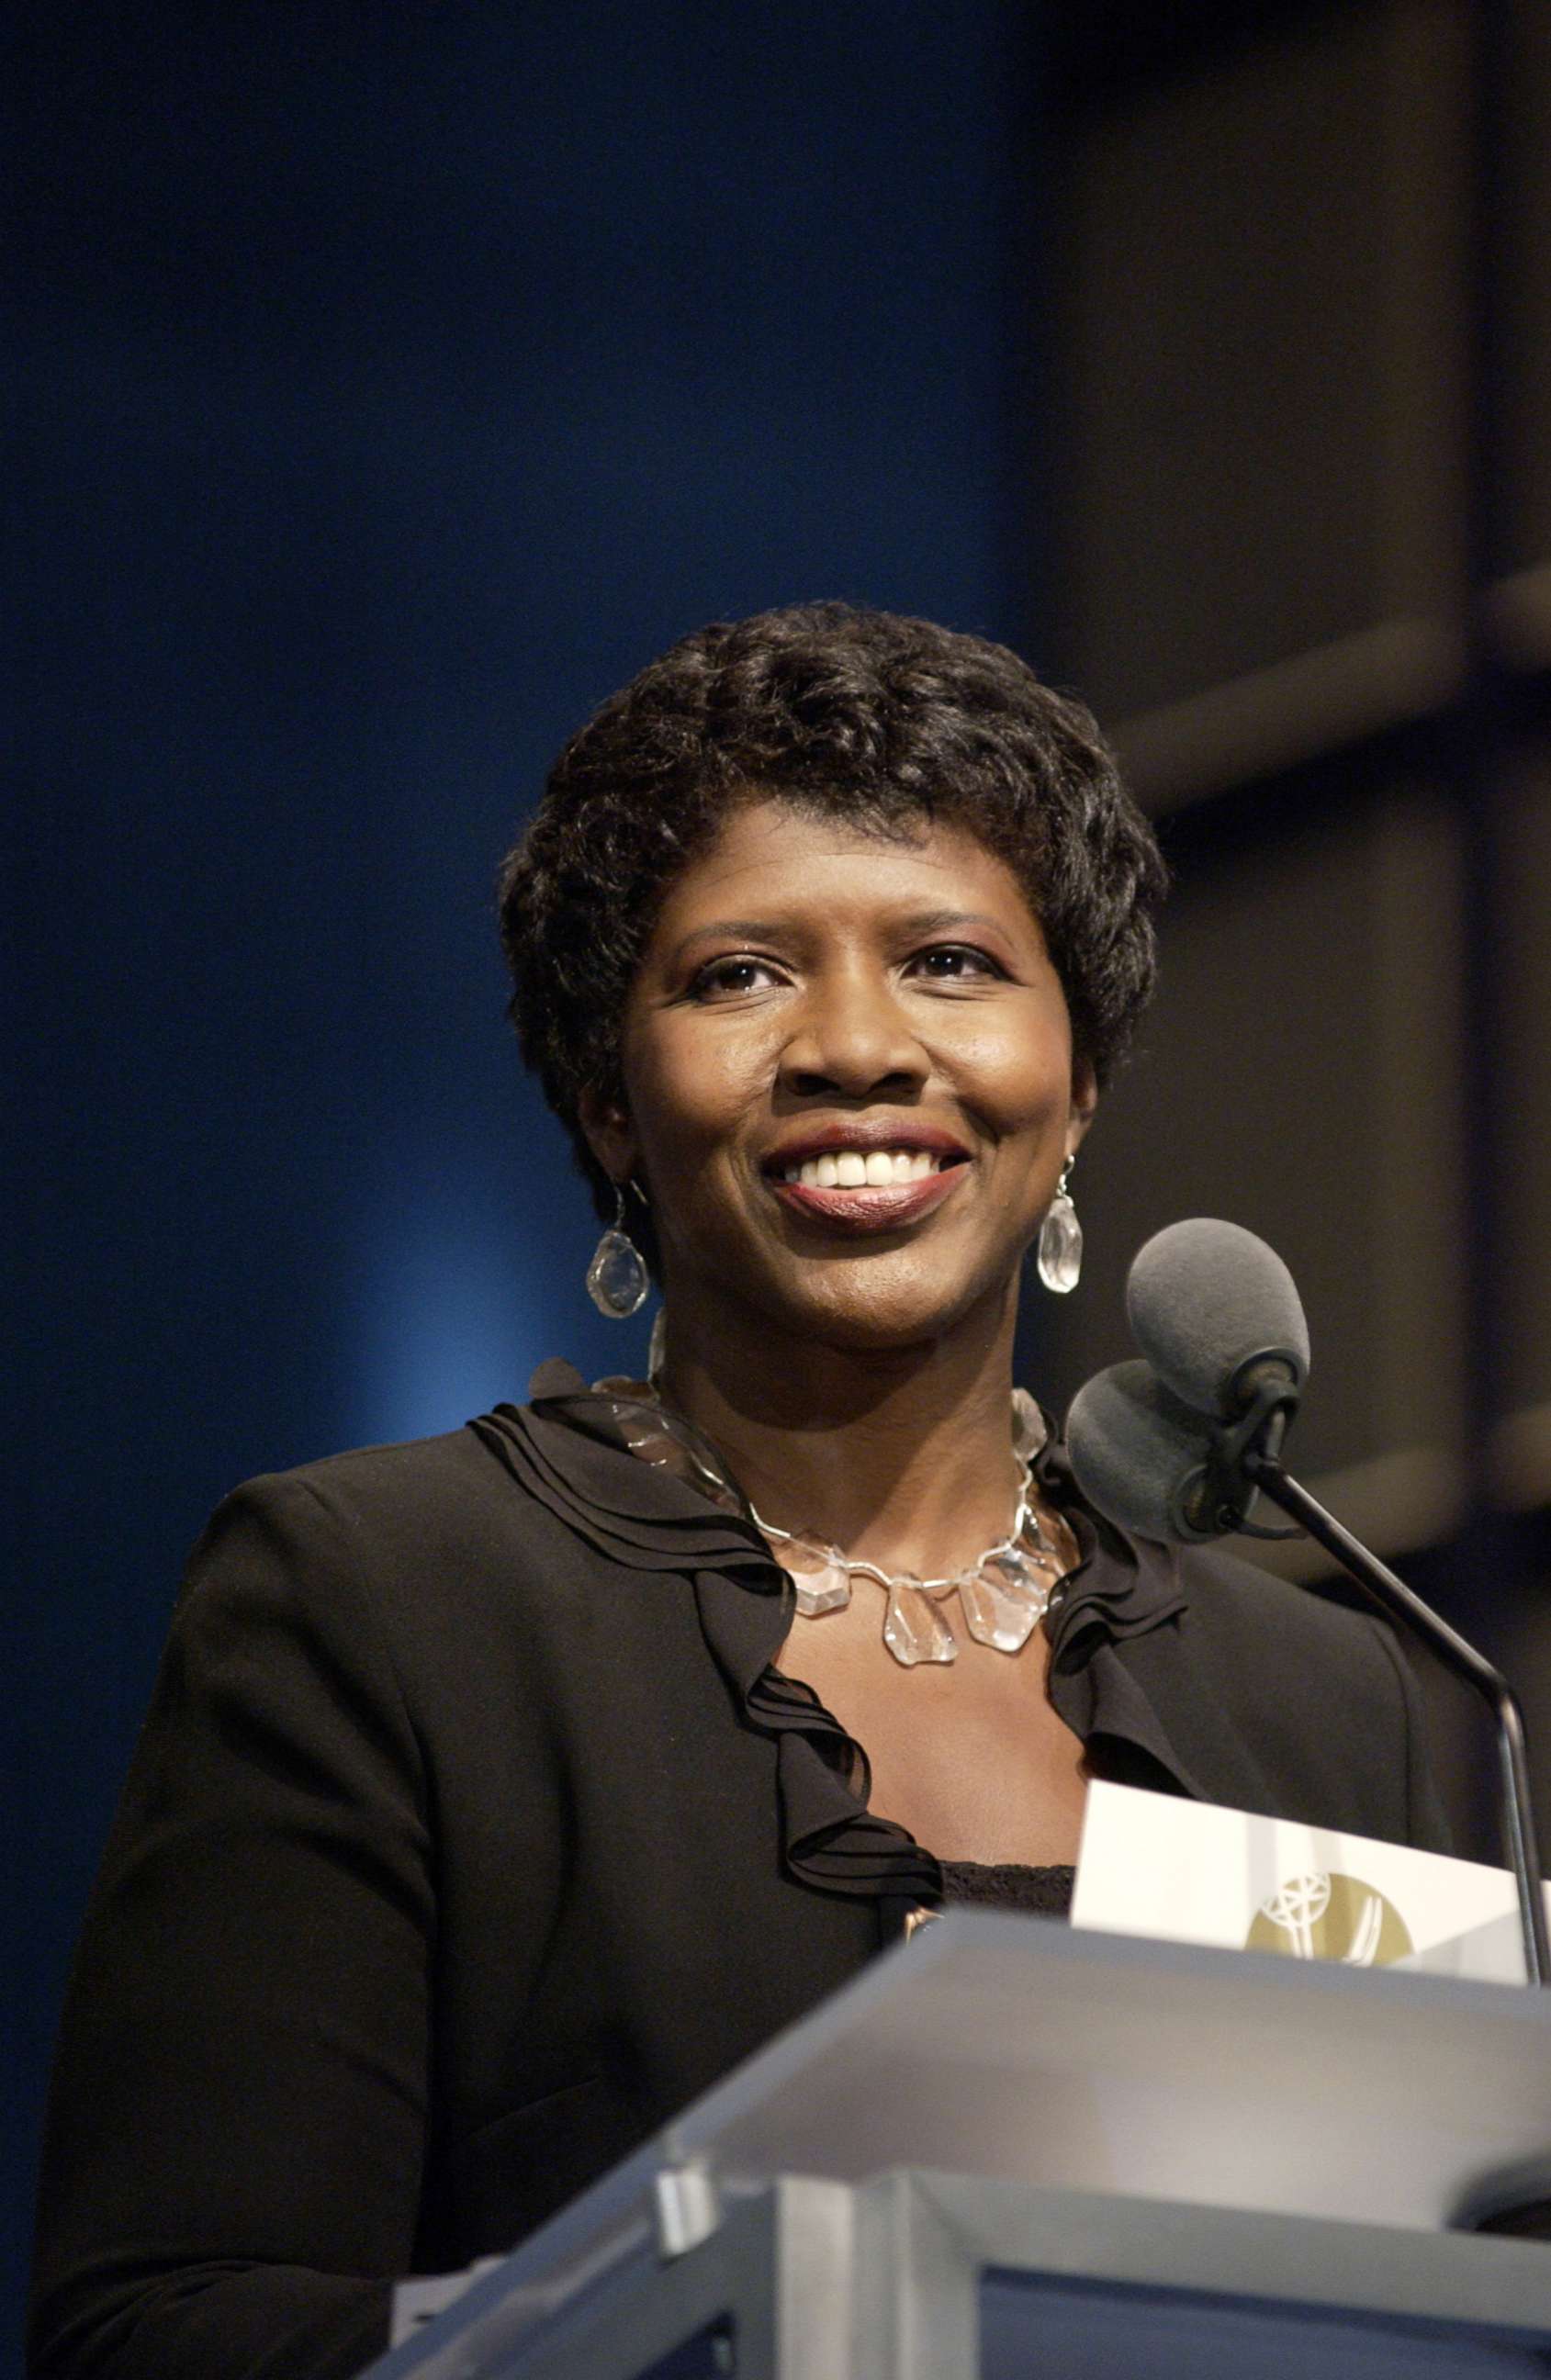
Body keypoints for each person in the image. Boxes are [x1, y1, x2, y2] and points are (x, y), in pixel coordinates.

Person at [28, 602, 1451, 2380]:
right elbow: (164, 2330)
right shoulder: (381, 1607)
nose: (855, 1044)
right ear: (608, 1104)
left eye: (947, 960)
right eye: (738, 974)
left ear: (1075, 1082)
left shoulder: (1355, 1714)